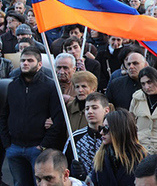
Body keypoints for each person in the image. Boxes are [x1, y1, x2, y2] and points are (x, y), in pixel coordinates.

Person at [0, 46, 65, 186]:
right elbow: (4, 115)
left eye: (30, 60)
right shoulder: (12, 86)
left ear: (39, 64)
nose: (25, 63)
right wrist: (7, 143)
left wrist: (43, 145)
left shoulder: (50, 86)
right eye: (23, 60)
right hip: (14, 147)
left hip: (38, 149)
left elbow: (58, 119)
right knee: (19, 183)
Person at [91, 109, 147, 185]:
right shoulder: (101, 157)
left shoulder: (141, 159)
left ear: (118, 130)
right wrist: (82, 176)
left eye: (106, 129)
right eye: (101, 128)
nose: (101, 132)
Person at [63, 92, 110, 179]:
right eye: (87, 108)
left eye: (94, 107)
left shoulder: (112, 137)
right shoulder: (75, 138)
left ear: (106, 110)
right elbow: (63, 166)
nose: (90, 111)